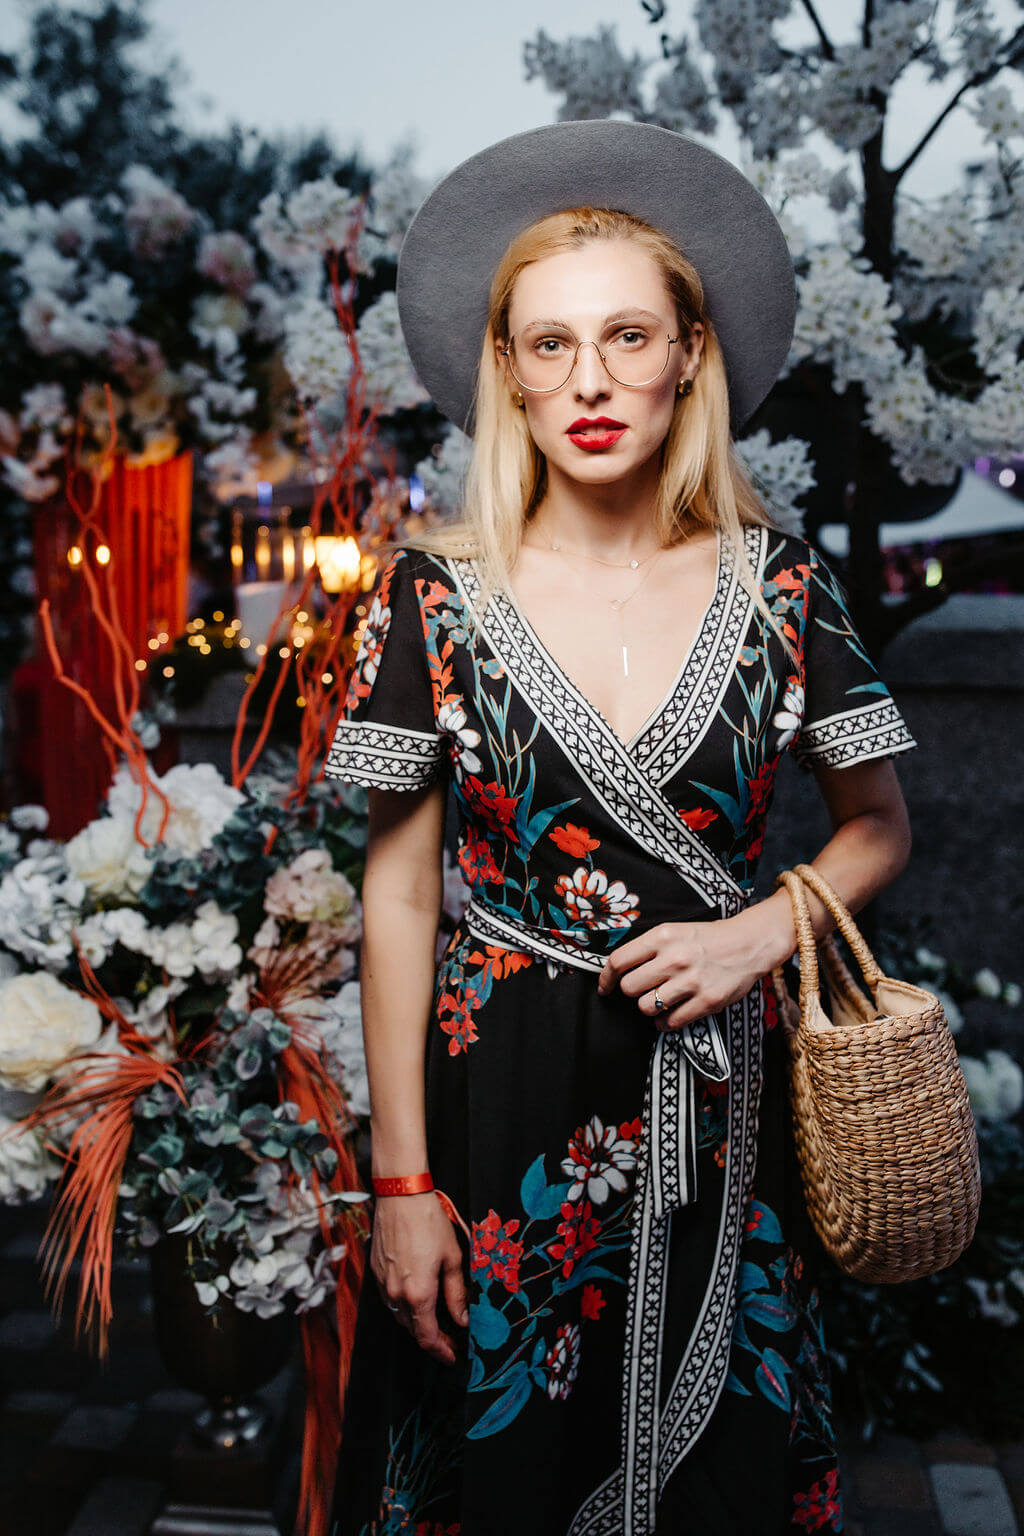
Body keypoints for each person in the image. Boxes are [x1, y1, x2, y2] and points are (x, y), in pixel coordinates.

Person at [324, 121, 917, 1536]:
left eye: (628, 336)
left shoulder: (783, 589)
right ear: (509, 372)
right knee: (500, 1467)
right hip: (497, 1105)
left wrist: (755, 936)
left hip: (724, 1104)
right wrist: (399, 1183)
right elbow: (396, 896)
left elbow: (880, 827)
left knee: (718, 1484)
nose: (589, 380)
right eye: (550, 345)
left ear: (690, 355)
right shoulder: (432, 597)